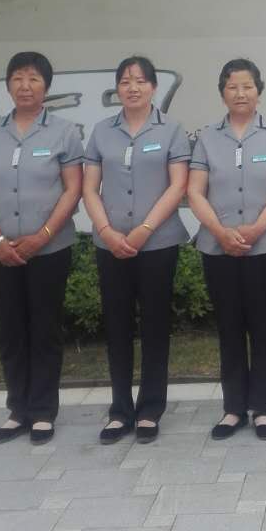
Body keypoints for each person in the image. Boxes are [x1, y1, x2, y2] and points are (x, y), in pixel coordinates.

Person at [0, 51, 84, 445]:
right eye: (18, 78)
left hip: (49, 250)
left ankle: (43, 411)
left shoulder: (64, 132)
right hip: (1, 251)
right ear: (8, 85)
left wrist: (43, 235)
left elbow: (73, 189)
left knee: (45, 328)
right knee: (12, 330)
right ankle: (18, 409)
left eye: (34, 78)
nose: (25, 86)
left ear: (46, 87)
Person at [188, 58, 266, 441]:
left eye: (248, 86)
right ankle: (233, 408)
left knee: (263, 327)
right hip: (218, 248)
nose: (241, 93)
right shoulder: (207, 138)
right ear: (222, 93)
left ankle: (263, 408)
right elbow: (194, 191)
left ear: (259, 91)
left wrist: (256, 228)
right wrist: (220, 232)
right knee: (229, 328)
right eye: (233, 87)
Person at [82, 56, 191, 445]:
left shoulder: (172, 130)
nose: (133, 87)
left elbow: (178, 186)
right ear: (118, 88)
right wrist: (106, 231)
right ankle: (119, 410)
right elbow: (88, 188)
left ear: (153, 87)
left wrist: (144, 230)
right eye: (126, 81)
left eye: (141, 81)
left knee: (155, 326)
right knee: (117, 327)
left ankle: (150, 409)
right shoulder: (101, 132)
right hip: (110, 244)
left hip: (158, 243)